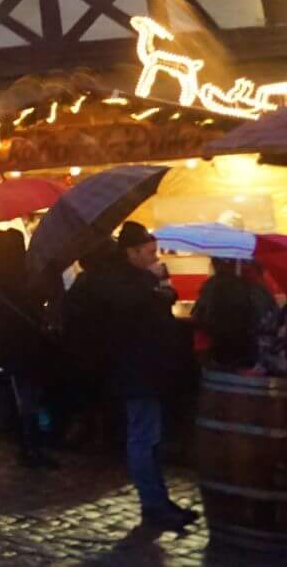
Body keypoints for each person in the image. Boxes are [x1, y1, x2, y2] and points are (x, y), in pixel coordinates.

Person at [107, 222, 199, 533]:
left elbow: (159, 302)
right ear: (131, 252)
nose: (154, 257)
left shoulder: (136, 281)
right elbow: (133, 311)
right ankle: (154, 504)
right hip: (136, 369)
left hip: (147, 369)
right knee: (143, 438)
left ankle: (158, 500)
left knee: (151, 437)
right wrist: (154, 283)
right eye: (149, 252)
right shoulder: (124, 281)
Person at [0, 227, 59, 468]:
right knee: (34, 394)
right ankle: (35, 444)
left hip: (13, 344)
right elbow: (47, 296)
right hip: (34, 342)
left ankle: (27, 444)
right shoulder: (29, 271)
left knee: (23, 395)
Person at [192, 256, 278, 371]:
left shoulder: (214, 287)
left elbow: (201, 321)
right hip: (251, 353)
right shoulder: (260, 290)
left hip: (220, 354)